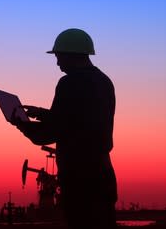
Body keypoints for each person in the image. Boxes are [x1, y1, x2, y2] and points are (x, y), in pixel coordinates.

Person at [14, 28, 117, 229]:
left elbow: (51, 132)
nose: (57, 62)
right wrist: (41, 112)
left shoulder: (70, 82)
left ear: (71, 54)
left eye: (59, 56)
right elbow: (78, 120)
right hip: (102, 174)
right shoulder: (104, 81)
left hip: (79, 179)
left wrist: (21, 124)